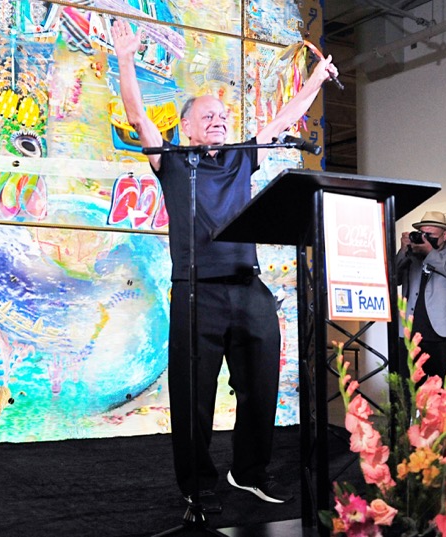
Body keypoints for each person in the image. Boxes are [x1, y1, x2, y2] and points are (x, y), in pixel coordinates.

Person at [110, 19, 338, 514]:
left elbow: (282, 121)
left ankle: (248, 471)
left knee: (260, 386)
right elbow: (136, 115)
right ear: (186, 126)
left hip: (246, 287)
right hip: (195, 290)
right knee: (193, 398)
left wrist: (318, 81)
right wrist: (126, 59)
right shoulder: (170, 160)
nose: (218, 120)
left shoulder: (239, 159)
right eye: (207, 116)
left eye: (222, 115)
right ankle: (197, 485)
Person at [396, 211, 446, 380]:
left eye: (431, 235)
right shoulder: (411, 253)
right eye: (423, 234)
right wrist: (403, 250)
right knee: (409, 388)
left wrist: (430, 253)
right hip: (412, 331)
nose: (426, 238)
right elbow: (394, 278)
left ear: (445, 234)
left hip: (445, 333)